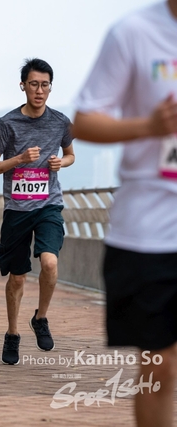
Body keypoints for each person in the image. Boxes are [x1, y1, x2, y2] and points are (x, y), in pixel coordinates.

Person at [73, 3, 177, 425]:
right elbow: (84, 120)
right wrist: (148, 126)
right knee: (160, 367)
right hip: (151, 230)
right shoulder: (133, 32)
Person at [0, 58, 75, 366]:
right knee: (18, 277)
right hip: (17, 208)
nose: (39, 90)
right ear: (23, 86)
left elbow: (71, 155)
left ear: (50, 87)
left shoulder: (60, 121)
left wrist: (61, 162)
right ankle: (12, 333)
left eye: (45, 85)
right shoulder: (7, 123)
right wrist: (19, 159)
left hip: (49, 204)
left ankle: (41, 318)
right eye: (34, 84)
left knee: (49, 263)